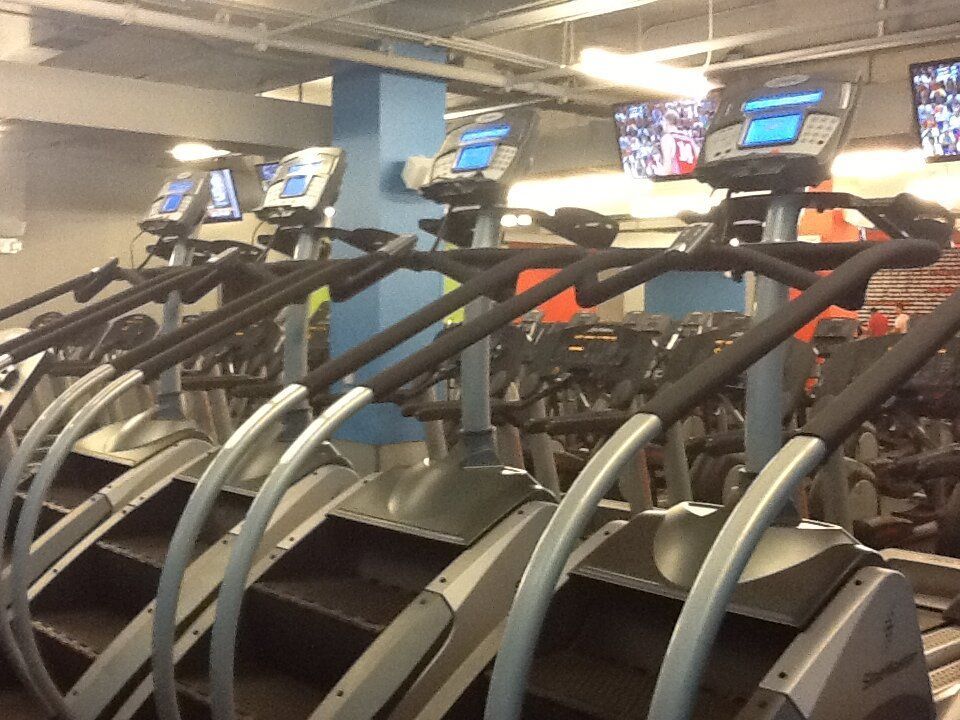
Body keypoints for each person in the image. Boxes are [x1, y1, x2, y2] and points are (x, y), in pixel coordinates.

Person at [657, 109, 701, 177]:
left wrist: (660, 172)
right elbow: (699, 158)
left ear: (665, 122)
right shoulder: (689, 138)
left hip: (679, 179)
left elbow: (668, 167)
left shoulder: (667, 138)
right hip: (693, 179)